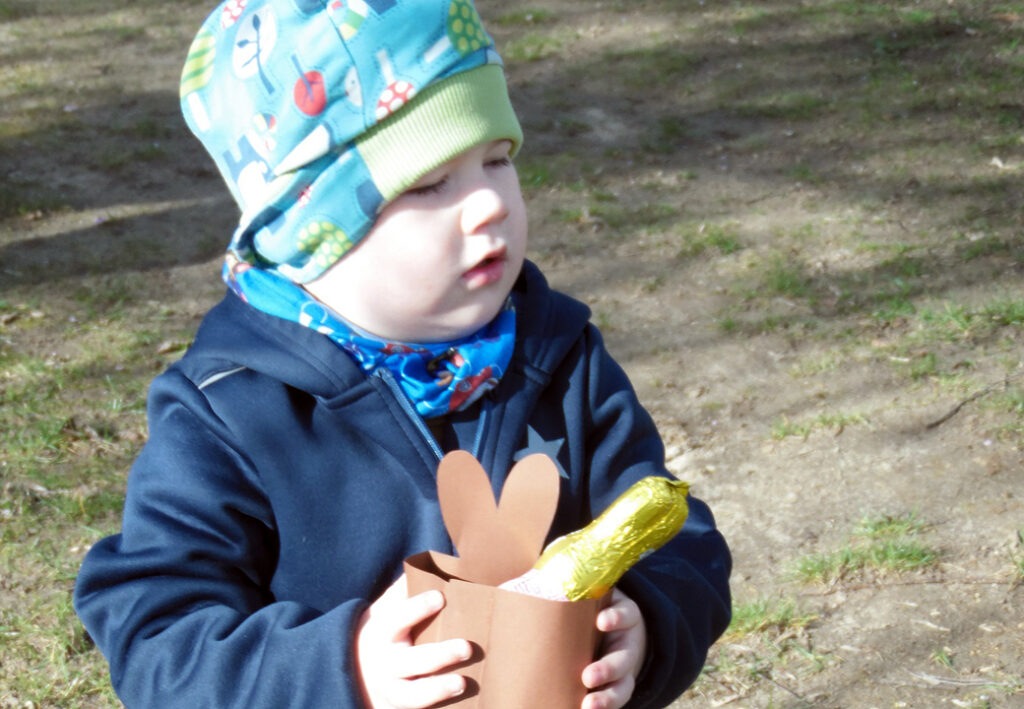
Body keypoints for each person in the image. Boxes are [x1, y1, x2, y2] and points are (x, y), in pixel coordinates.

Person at [73, 1, 732, 708]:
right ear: (311, 231)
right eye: (426, 183)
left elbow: (676, 536)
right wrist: (341, 666)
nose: (489, 204)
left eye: (497, 159)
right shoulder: (231, 409)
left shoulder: (560, 356)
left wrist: (650, 622)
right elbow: (157, 638)